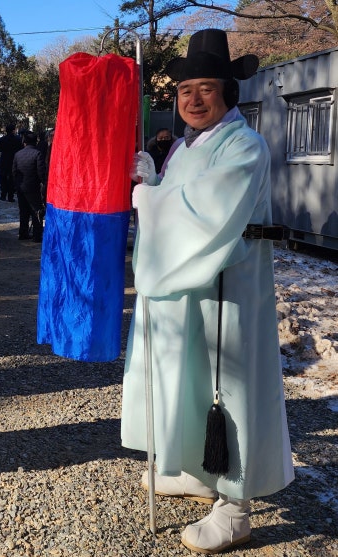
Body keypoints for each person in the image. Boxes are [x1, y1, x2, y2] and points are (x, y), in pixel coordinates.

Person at [122, 29, 294, 554]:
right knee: (192, 375)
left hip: (229, 287)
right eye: (184, 90)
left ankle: (236, 505)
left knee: (230, 385)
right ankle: (202, 468)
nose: (193, 100)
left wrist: (150, 204)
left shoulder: (244, 145)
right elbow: (177, 198)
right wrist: (153, 182)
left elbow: (206, 213)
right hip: (185, 290)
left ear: (227, 92)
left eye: (206, 89)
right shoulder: (182, 146)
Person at [12, 131, 46, 243]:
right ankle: (37, 235)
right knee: (36, 211)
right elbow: (41, 172)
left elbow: (14, 171)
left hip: (21, 187)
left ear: (24, 142)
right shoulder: (37, 154)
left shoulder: (18, 154)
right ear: (35, 142)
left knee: (23, 211)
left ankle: (23, 233)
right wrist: (44, 183)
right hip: (33, 187)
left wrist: (17, 184)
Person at [0, 123, 21, 201]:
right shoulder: (18, 139)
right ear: (13, 130)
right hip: (13, 160)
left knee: (3, 178)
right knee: (12, 178)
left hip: (4, 159)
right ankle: (10, 196)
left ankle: (3, 194)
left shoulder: (2, 139)